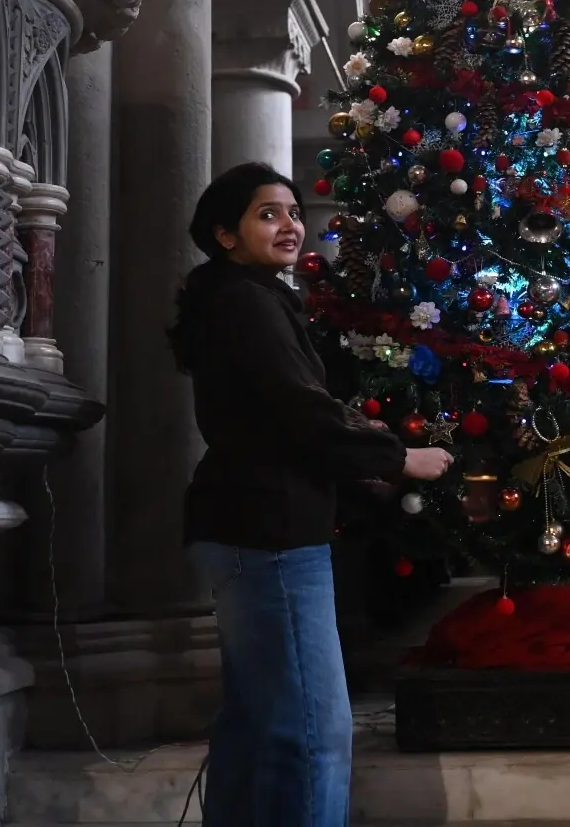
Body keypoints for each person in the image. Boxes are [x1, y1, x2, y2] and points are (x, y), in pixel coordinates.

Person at [172, 162, 453, 826]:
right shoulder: (245, 299)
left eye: (294, 212)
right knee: (312, 734)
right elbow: (300, 411)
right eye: (267, 214)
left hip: (243, 522)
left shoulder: (239, 295)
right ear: (225, 234)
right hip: (269, 530)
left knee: (253, 724)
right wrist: (398, 457)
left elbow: (286, 415)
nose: (290, 224)